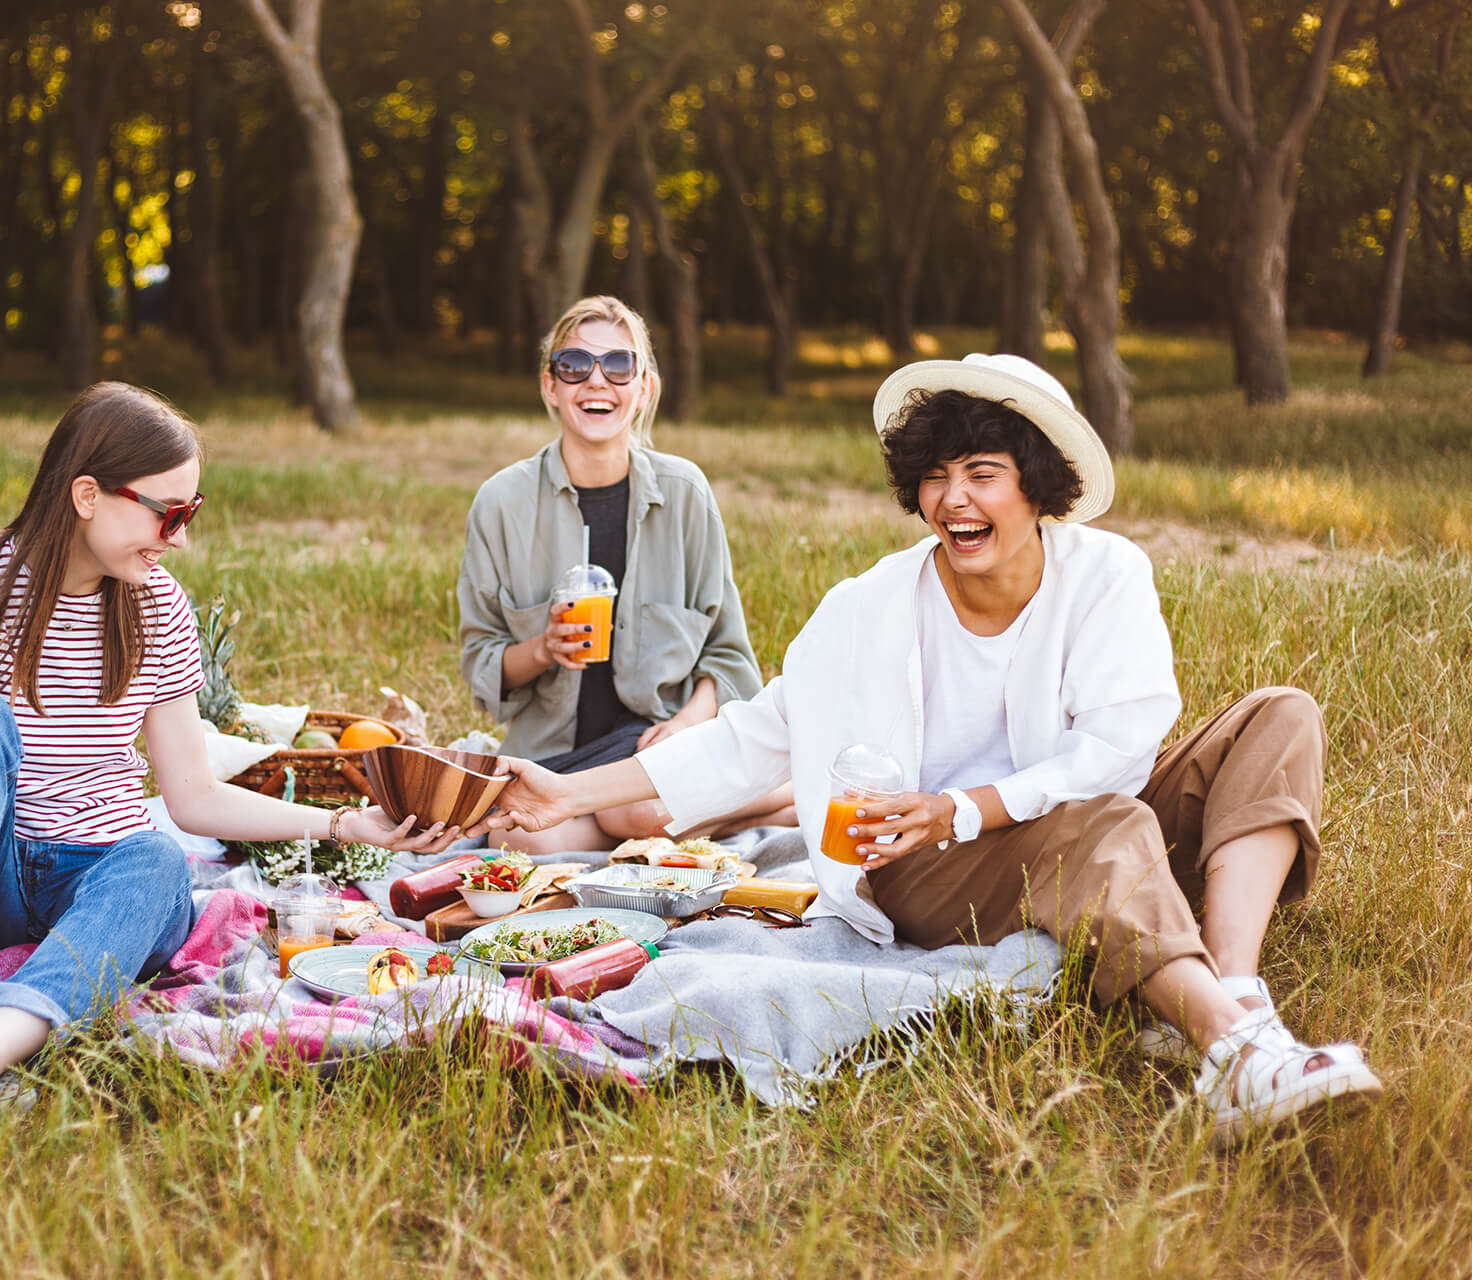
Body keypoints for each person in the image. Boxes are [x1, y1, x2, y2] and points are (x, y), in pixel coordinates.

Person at [476, 353, 1382, 1145]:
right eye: (937, 476)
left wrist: (972, 804)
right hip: (920, 865)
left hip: (1065, 824)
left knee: (1281, 714)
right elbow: (753, 739)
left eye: (984, 473)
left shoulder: (1106, 576)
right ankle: (1232, 1047)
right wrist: (569, 796)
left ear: (1036, 485)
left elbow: (1120, 748)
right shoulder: (868, 607)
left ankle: (1237, 997)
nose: (955, 499)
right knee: (1094, 823)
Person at [0, 382, 454, 1125]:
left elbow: (194, 797)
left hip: (97, 875)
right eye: (168, 513)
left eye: (193, 512)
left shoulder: (158, 607)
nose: (180, 538)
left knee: (157, 861)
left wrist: (343, 827)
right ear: (87, 494)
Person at [457, 295, 792, 853]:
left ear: (645, 389)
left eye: (618, 365)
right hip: (556, 762)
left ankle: (732, 802)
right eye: (574, 365)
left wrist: (686, 727)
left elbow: (728, 655)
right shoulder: (501, 503)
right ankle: (778, 805)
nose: (596, 382)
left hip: (658, 747)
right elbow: (481, 664)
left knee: (637, 805)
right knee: (528, 844)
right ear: (550, 386)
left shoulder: (686, 494)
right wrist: (543, 649)